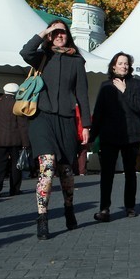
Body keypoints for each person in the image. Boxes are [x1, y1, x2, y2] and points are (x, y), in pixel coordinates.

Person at [20, 20, 91, 240]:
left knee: (66, 172)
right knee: (47, 166)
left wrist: (86, 125)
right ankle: (42, 218)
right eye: (56, 32)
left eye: (63, 32)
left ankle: (69, 208)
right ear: (50, 34)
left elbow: (82, 94)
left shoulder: (77, 61)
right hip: (41, 118)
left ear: (68, 35)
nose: (60, 35)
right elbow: (25, 50)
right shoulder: (42, 56)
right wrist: (45, 33)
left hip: (67, 121)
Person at [90, 52, 140, 221]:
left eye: (126, 63)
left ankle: (130, 206)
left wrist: (124, 90)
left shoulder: (136, 85)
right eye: (120, 63)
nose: (124, 66)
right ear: (113, 66)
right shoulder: (105, 85)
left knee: (130, 172)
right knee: (107, 174)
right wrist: (92, 136)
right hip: (110, 135)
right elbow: (99, 112)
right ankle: (104, 209)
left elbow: (139, 107)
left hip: (131, 135)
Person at [0, 83, 30, 197]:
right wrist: (25, 143)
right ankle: (14, 189)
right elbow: (22, 126)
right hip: (15, 140)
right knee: (16, 165)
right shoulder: (17, 105)